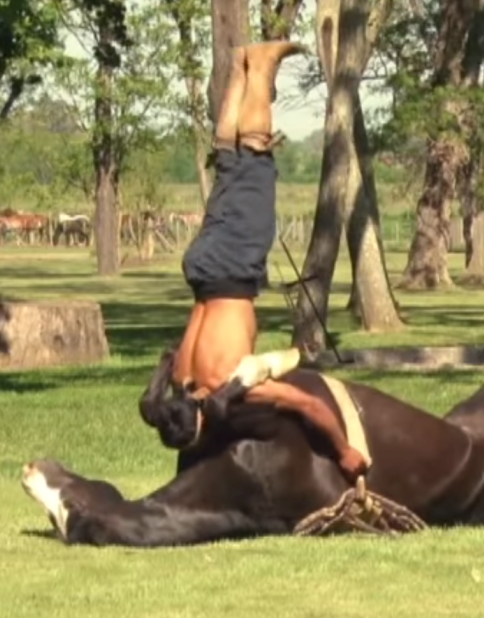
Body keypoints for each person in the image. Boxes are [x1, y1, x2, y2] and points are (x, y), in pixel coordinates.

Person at [171, 41, 369, 481]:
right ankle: (242, 66)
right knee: (230, 161)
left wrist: (344, 451)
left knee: (255, 158)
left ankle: (260, 65)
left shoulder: (225, 386)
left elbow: (309, 405)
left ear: (200, 421)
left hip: (231, 271)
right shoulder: (179, 377)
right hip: (203, 270)